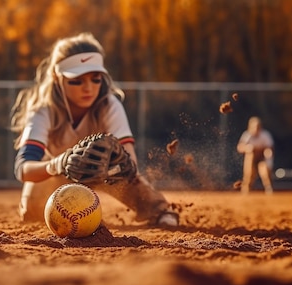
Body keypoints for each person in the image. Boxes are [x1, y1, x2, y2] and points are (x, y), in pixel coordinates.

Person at [10, 32, 178, 227]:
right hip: (57, 176)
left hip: (103, 174)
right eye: (77, 80)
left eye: (95, 79)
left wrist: (111, 168)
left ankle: (160, 210)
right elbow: (23, 168)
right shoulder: (43, 110)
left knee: (131, 178)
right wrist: (58, 164)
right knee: (33, 212)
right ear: (57, 77)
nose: (88, 88)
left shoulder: (109, 105)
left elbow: (132, 164)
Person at [236, 116, 274, 194]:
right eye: (254, 127)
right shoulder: (247, 135)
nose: (256, 129)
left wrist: (268, 153)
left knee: (265, 171)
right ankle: (246, 189)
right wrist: (247, 148)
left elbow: (269, 148)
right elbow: (240, 147)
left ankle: (268, 188)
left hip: (262, 157)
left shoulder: (265, 135)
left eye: (257, 127)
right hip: (251, 157)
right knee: (249, 173)